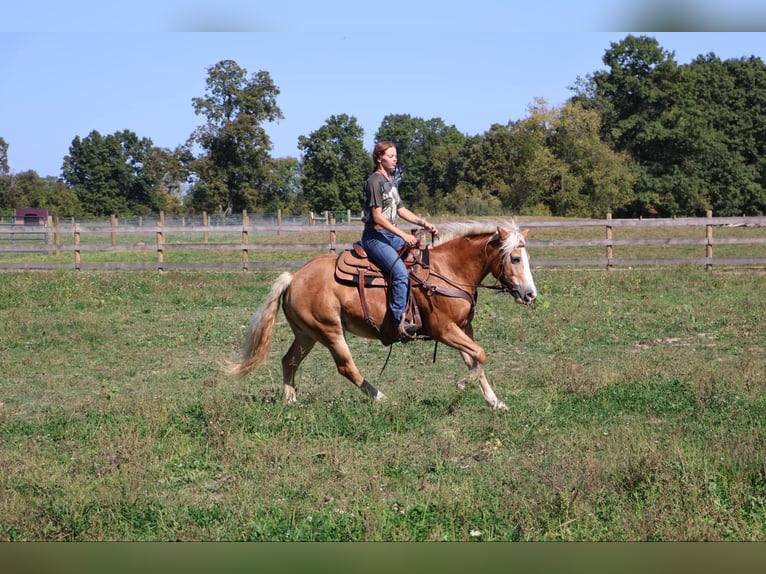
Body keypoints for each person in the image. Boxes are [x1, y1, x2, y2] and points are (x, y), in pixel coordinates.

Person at [361, 141, 438, 339]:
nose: (395, 159)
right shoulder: (374, 181)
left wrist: (424, 223)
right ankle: (397, 323)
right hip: (375, 237)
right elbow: (377, 217)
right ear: (379, 158)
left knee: (420, 259)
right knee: (401, 273)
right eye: (390, 156)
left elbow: (401, 210)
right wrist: (403, 235)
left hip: (390, 235)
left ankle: (418, 311)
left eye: (395, 155)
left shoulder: (390, 182)